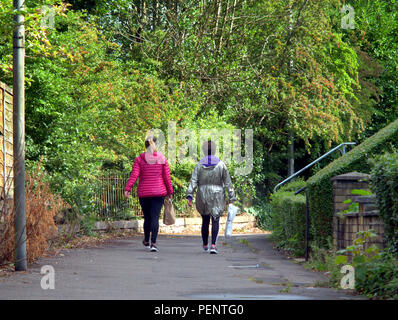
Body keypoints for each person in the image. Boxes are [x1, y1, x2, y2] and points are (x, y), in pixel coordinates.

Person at [124, 136, 173, 252]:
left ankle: (146, 240)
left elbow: (134, 175)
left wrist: (128, 188)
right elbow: (167, 177)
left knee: (147, 217)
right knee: (155, 218)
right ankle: (154, 244)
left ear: (145, 146)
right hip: (158, 193)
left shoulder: (139, 159)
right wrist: (170, 192)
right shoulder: (161, 158)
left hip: (144, 193)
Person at [186, 140, 236, 254]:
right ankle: (213, 245)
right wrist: (231, 197)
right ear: (214, 151)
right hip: (217, 194)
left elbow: (194, 180)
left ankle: (205, 244)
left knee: (205, 220)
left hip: (202, 194)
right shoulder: (221, 164)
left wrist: (189, 195)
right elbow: (228, 182)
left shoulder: (199, 164)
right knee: (215, 219)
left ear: (204, 151)